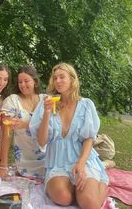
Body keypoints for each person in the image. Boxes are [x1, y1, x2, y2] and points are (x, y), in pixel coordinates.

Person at [30, 62, 109, 209]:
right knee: (64, 198)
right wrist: (46, 114)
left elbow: (88, 138)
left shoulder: (86, 104)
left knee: (90, 203)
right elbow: (42, 142)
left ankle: (102, 181)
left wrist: (80, 164)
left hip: (82, 158)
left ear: (72, 79)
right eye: (55, 78)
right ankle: (78, 187)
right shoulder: (46, 103)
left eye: (62, 77)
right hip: (57, 160)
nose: (58, 81)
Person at [0, 65, 45, 181]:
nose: (22, 85)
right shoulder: (12, 101)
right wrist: (2, 165)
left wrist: (26, 125)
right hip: (25, 162)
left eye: (26, 81)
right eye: (20, 82)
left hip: (48, 159)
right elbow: (5, 134)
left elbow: (54, 129)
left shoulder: (46, 100)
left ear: (35, 82)